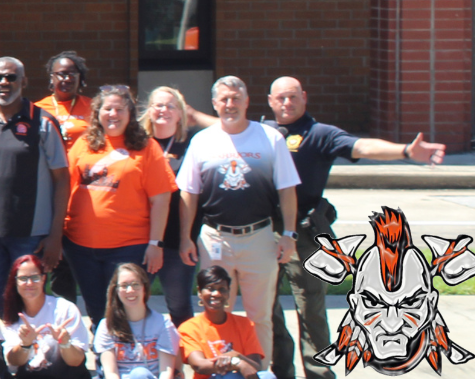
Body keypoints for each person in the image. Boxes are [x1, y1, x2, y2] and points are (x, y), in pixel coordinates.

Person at [263, 76, 443, 379]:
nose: (287, 103)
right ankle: (282, 371)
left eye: (293, 96)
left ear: (304, 97)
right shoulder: (262, 132)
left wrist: (405, 152)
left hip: (305, 233)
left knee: (311, 310)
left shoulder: (320, 134)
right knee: (264, 308)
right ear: (270, 101)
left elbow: (362, 146)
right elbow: (219, 123)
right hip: (265, 231)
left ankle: (319, 374)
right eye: (281, 98)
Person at [175, 76, 299, 366]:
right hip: (215, 239)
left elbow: (287, 189)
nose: (230, 104)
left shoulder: (270, 139)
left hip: (260, 238)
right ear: (215, 104)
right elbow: (188, 194)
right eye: (224, 99)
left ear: (246, 101)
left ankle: (260, 371)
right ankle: (221, 371)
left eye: (235, 98)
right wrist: (185, 237)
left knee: (260, 317)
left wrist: (289, 234)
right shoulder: (202, 141)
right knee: (217, 314)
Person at [0, 56, 69, 315]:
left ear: (24, 81)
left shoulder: (42, 122)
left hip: (31, 236)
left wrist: (55, 235)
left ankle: (30, 354)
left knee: (29, 305)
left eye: (11, 77)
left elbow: (62, 179)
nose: (4, 82)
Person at [64, 86, 176, 319]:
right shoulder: (83, 144)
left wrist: (156, 243)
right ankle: (104, 354)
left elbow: (161, 199)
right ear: (97, 113)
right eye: (107, 109)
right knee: (96, 311)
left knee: (125, 312)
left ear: (130, 113)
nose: (113, 114)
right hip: (81, 247)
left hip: (129, 248)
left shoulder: (147, 148)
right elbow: (65, 189)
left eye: (119, 109)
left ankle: (129, 355)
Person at [138, 87, 197, 324]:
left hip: (177, 240)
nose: (164, 110)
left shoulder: (193, 144)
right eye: (158, 105)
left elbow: (224, 125)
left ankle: (182, 359)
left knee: (180, 305)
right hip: (140, 239)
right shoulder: (137, 143)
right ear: (149, 111)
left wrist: (186, 238)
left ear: (181, 114)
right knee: (134, 302)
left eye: (171, 106)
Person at [0, 255, 87, 379]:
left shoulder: (65, 309)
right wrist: (25, 345)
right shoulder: (13, 314)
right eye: (23, 278)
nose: (29, 283)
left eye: (35, 277)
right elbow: (14, 361)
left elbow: (76, 361)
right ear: (15, 282)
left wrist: (64, 343)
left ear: (44, 279)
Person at [177, 267, 273, 379]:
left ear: (228, 293)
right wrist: (237, 362)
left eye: (222, 289)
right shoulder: (189, 328)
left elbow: (255, 366)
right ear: (199, 292)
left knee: (267, 376)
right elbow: (199, 366)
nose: (216, 294)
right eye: (210, 288)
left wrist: (237, 356)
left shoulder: (245, 324)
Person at [92, 264, 179, 379]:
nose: (130, 290)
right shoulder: (106, 326)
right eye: (124, 285)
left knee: (140, 374)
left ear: (144, 288)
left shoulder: (163, 324)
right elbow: (111, 373)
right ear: (116, 290)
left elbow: (165, 373)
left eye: (135, 284)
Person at [33, 52, 92, 150]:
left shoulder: (92, 106)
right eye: (62, 74)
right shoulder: (38, 109)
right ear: (52, 78)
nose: (68, 79)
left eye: (72, 74)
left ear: (79, 77)